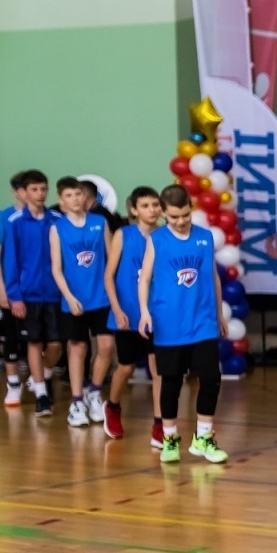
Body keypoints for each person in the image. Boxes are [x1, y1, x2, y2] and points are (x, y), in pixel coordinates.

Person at [137, 185, 229, 465]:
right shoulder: (156, 240)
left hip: (202, 321)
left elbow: (212, 276)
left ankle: (203, 438)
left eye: (185, 215)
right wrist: (144, 312)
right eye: (174, 217)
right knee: (172, 382)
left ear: (191, 209)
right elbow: (145, 279)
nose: (180, 221)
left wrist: (220, 314)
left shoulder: (204, 237)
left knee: (211, 377)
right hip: (169, 323)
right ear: (163, 214)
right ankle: (169, 438)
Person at [49, 175, 114, 428]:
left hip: (101, 296)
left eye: (78, 195)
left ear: (85, 197)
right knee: (78, 349)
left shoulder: (100, 222)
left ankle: (94, 392)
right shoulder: (57, 228)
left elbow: (111, 260)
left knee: (106, 347)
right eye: (68, 196)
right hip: (74, 299)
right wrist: (68, 296)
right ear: (61, 200)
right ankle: (76, 401)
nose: (75, 199)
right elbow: (56, 268)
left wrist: (113, 293)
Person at [0, 169, 64, 417]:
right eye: (34, 189)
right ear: (24, 192)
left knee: (56, 344)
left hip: (55, 294)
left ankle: (43, 376)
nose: (40, 194)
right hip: (29, 294)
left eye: (43, 189)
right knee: (34, 343)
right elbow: (10, 262)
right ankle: (41, 394)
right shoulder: (15, 222)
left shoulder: (57, 219)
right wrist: (14, 295)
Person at [103, 187, 164, 444]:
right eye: (146, 205)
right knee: (125, 367)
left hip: (157, 314)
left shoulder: (165, 236)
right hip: (128, 313)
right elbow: (108, 276)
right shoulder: (123, 235)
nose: (152, 209)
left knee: (159, 369)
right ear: (134, 210)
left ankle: (160, 424)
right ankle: (113, 406)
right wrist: (117, 310)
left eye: (155, 204)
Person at [0, 175, 28, 397]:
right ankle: (13, 383)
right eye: (25, 189)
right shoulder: (3, 218)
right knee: (10, 337)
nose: (31, 194)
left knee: (39, 340)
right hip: (11, 288)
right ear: (15, 191)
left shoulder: (46, 218)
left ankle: (39, 380)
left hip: (36, 290)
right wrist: (2, 289)